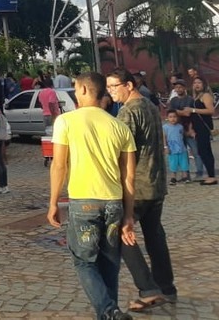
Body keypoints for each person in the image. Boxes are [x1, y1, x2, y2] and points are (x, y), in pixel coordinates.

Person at [48, 72, 137, 320]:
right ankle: (112, 313)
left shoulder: (65, 121)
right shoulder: (120, 126)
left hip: (83, 202)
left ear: (85, 90)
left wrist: (53, 202)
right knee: (110, 264)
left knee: (84, 261)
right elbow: (129, 177)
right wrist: (129, 215)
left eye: (76, 89)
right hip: (113, 202)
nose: (75, 93)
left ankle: (109, 311)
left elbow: (59, 165)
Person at [107, 70, 176, 310]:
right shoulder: (150, 105)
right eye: (107, 88)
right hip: (157, 182)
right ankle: (167, 286)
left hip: (138, 185)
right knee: (155, 235)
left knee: (119, 231)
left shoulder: (129, 112)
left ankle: (148, 289)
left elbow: (123, 152)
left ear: (128, 85)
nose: (110, 91)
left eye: (114, 86)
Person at [178, 76, 218, 185]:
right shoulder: (196, 97)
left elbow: (211, 110)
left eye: (199, 82)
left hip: (204, 127)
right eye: (195, 83)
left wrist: (193, 110)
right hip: (198, 128)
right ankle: (210, 174)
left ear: (204, 84)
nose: (196, 85)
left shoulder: (206, 96)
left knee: (205, 151)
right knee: (201, 151)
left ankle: (212, 176)